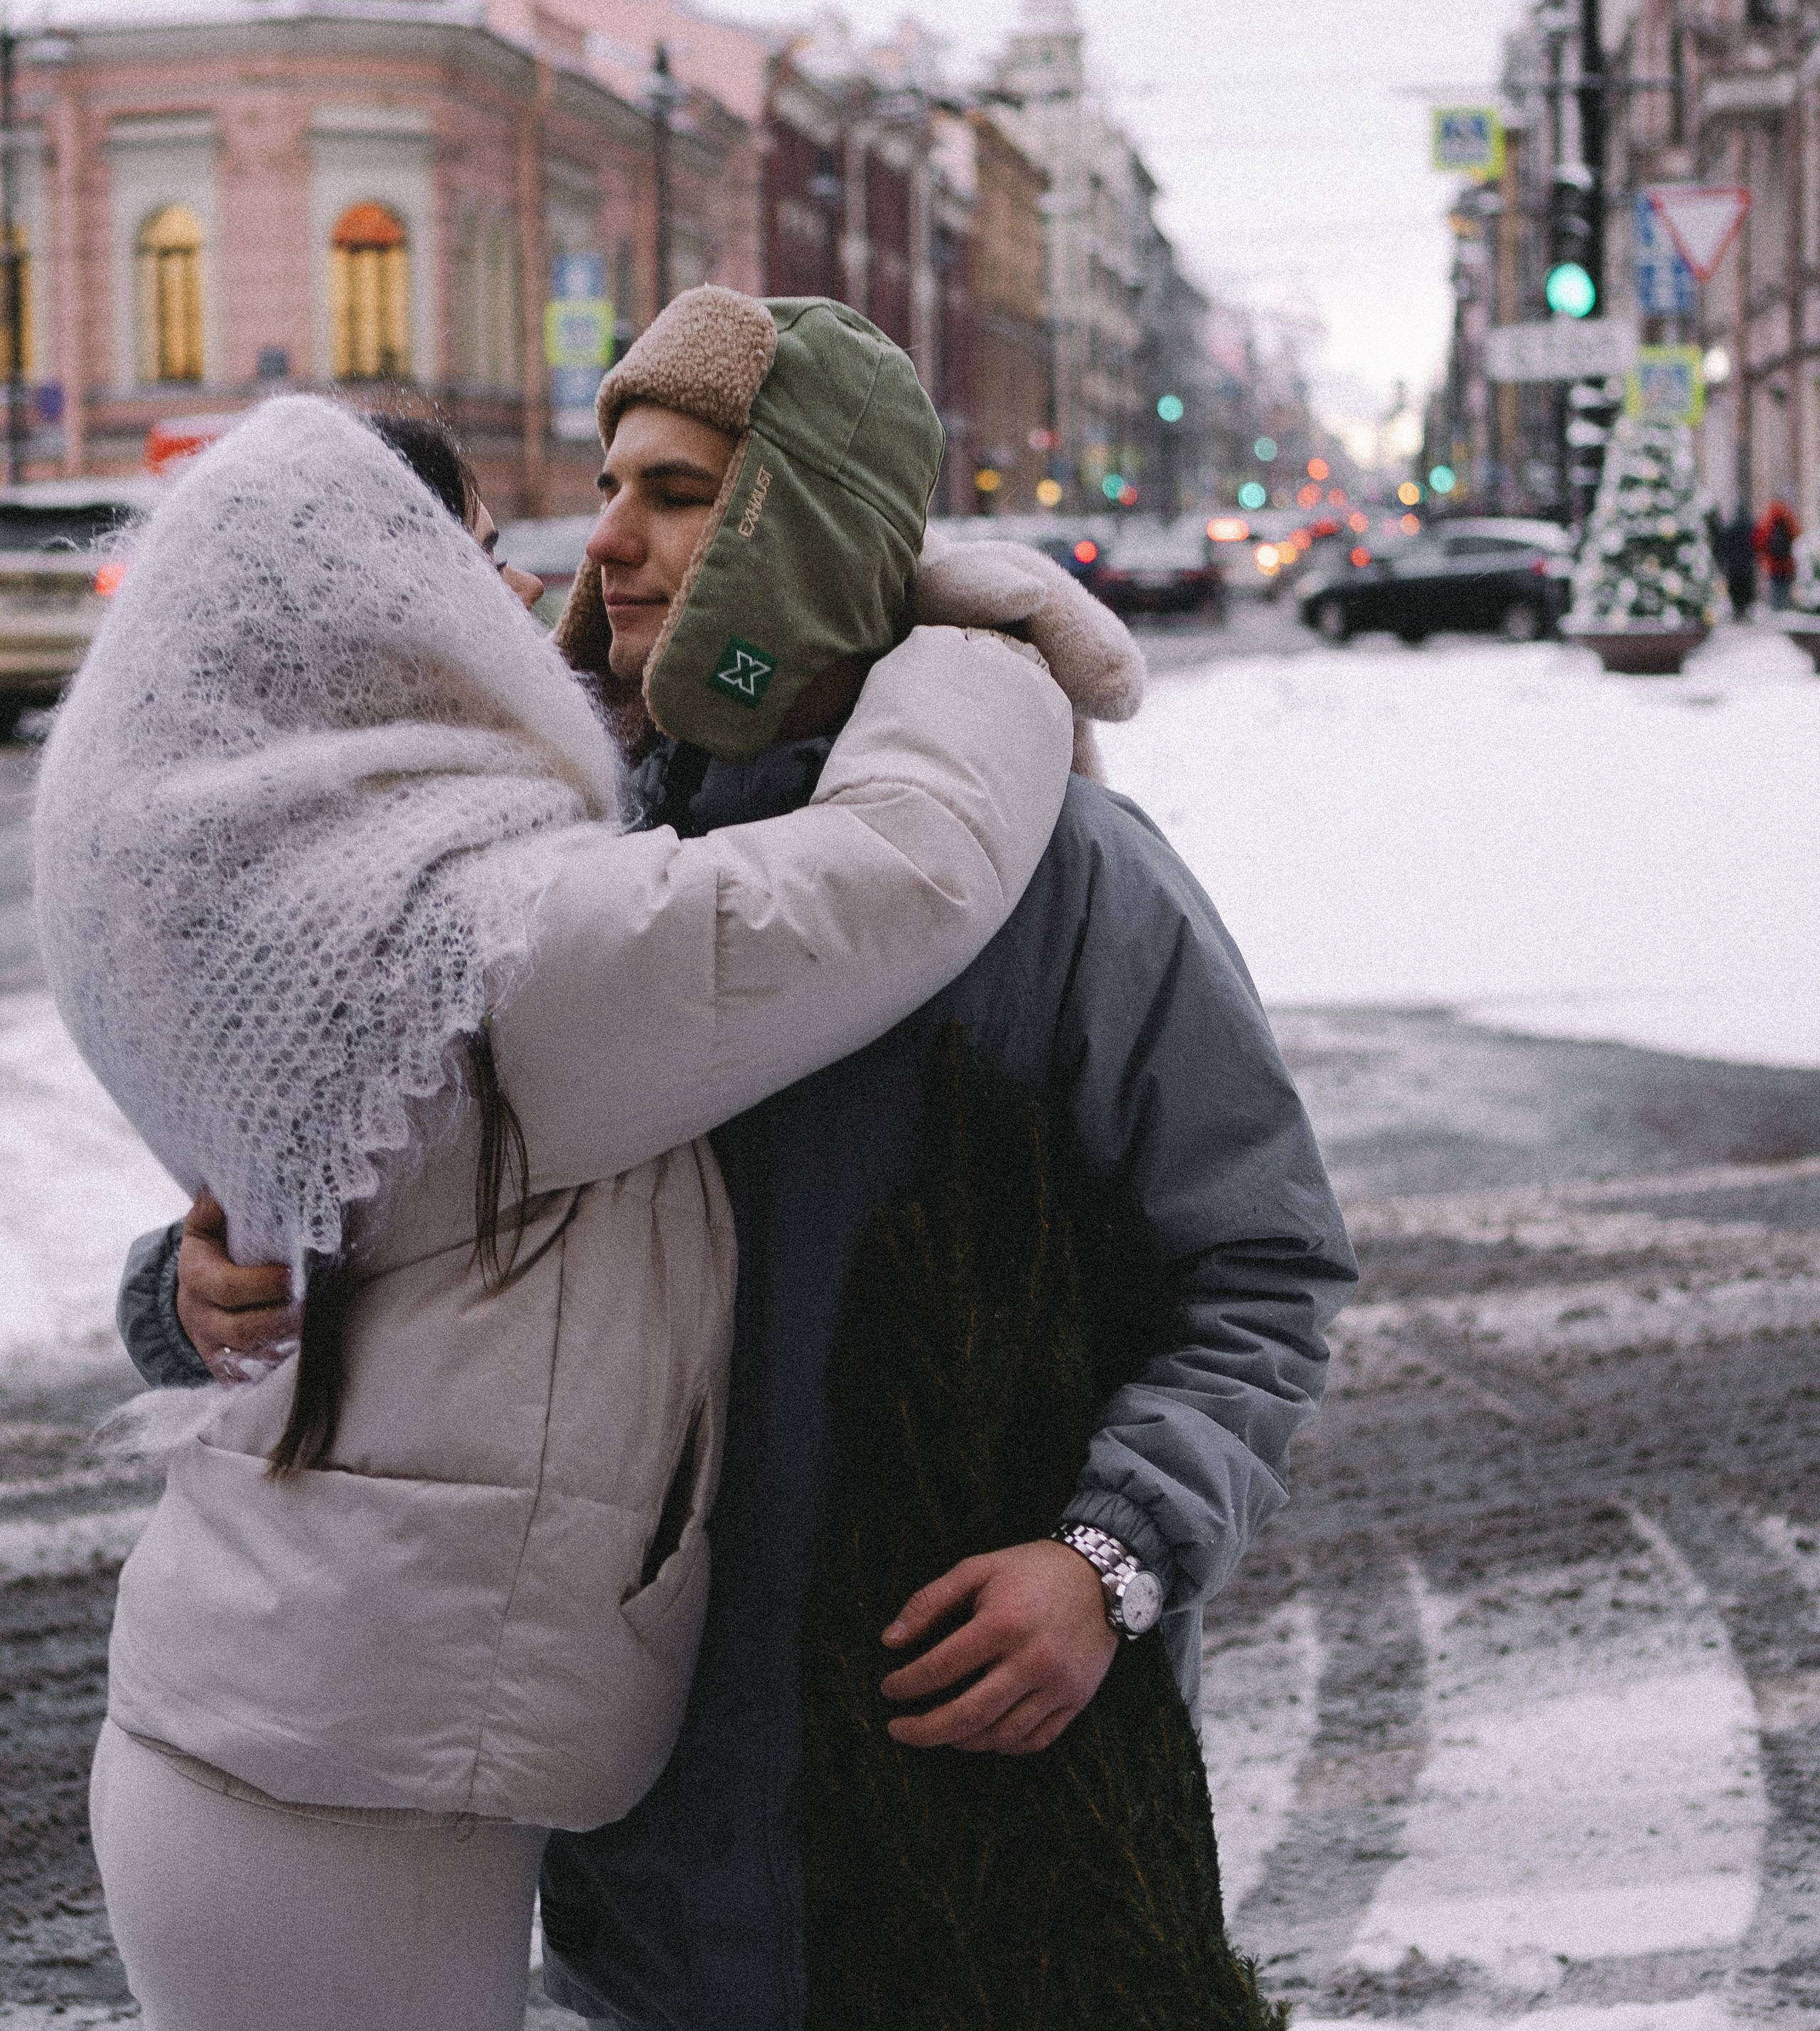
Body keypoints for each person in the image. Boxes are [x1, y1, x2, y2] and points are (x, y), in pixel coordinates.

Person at [146, 293, 1356, 2031]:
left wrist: (1106, 1556)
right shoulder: (557, 868)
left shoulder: (1065, 877)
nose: (608, 543)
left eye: (676, 491)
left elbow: (1255, 1264)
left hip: (983, 1841)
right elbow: (332, 1221)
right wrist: (195, 1279)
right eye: (609, 487)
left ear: (804, 524)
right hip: (646, 1863)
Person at [49, 382, 1075, 2031]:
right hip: (343, 1792)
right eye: (471, 567)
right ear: (373, 610)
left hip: (275, 1715)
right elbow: (901, 866)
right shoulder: (475, 936)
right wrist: (968, 644)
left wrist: (176, 1293)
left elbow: (336, 1232)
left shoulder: (272, 868)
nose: (533, 596)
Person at [1754, 498, 1799, 610]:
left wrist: (1763, 558)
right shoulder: (1789, 519)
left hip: (1773, 565)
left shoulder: (1768, 521)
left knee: (1775, 590)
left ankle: (1777, 612)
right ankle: (1785, 612)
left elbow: (1759, 541)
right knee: (1786, 591)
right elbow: (1798, 537)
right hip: (1788, 565)